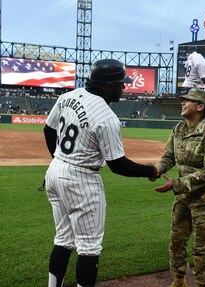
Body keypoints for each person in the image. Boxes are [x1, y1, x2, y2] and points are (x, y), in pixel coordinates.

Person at [43, 59, 159, 287]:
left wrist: (59, 159)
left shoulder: (67, 96)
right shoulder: (107, 117)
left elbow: (48, 130)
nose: (124, 88)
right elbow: (118, 165)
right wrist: (149, 170)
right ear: (108, 86)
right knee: (89, 247)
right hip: (81, 179)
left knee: (63, 239)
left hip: (56, 170)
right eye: (120, 84)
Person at [152, 88, 205, 287]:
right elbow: (169, 156)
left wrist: (175, 184)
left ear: (200, 107)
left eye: (188, 101)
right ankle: (178, 280)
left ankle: (202, 284)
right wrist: (158, 169)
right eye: (183, 100)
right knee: (176, 241)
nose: (182, 103)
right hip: (185, 195)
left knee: (202, 248)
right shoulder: (179, 129)